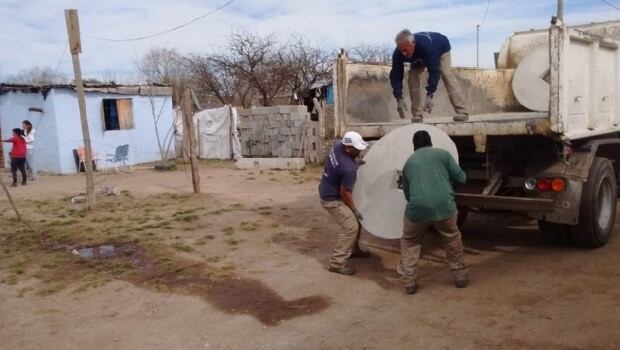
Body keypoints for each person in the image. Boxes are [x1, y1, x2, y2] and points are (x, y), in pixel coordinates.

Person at [398, 130, 468, 294]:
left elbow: (407, 194)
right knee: (452, 239)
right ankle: (460, 277)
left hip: (417, 211)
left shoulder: (408, 163)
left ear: (414, 146)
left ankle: (409, 282)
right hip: (445, 208)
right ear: (430, 142)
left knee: (410, 241)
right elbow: (462, 179)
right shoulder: (443, 155)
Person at [389, 29, 469, 123]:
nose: (404, 54)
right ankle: (417, 114)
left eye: (406, 50)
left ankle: (462, 111)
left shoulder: (426, 46)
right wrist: (399, 97)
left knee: (445, 73)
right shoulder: (398, 53)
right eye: (401, 51)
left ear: (413, 43)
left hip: (441, 48)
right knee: (412, 76)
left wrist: (429, 95)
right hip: (419, 57)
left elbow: (434, 71)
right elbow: (396, 75)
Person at [319, 131, 369, 275]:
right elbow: (345, 193)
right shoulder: (348, 169)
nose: (360, 151)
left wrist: (354, 162)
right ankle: (337, 263)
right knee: (351, 226)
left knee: (357, 223)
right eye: (357, 149)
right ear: (348, 148)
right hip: (331, 199)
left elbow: (340, 163)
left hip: (327, 187)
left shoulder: (337, 145)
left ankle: (353, 249)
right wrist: (354, 209)